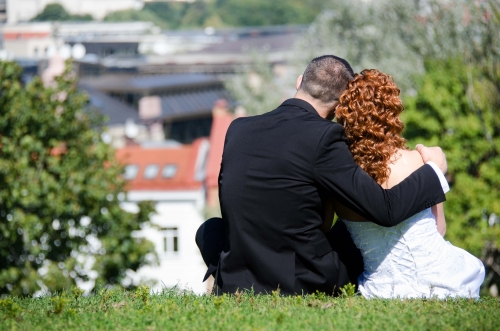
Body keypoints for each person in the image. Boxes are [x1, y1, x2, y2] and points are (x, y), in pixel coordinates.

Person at [196, 55, 450, 295]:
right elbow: (385, 209)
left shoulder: (239, 128)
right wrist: (434, 170)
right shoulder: (326, 138)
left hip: (239, 275)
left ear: (299, 81)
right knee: (354, 227)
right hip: (300, 280)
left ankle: (230, 278)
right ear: (341, 105)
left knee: (209, 229)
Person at [331, 69, 485, 298]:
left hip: (380, 288)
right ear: (392, 111)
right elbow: (439, 228)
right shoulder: (419, 160)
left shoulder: (341, 178)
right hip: (441, 279)